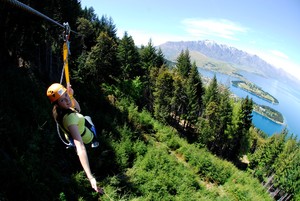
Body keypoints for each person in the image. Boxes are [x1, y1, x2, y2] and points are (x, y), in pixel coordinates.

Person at [46, 83, 103, 193]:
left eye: (66, 96)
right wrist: (90, 177)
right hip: (85, 136)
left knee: (84, 117)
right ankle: (94, 141)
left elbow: (77, 109)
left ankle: (72, 142)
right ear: (57, 104)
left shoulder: (59, 112)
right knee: (89, 120)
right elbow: (81, 148)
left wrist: (71, 95)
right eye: (62, 100)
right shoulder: (71, 120)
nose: (67, 101)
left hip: (71, 134)